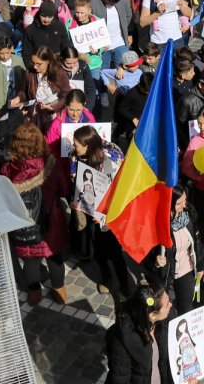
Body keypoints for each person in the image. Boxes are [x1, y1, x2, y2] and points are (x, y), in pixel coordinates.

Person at [1, 123, 70, 307]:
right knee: (54, 257)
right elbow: (64, 190)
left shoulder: (7, 169)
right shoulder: (51, 164)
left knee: (30, 261)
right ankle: (58, 291)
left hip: (24, 224)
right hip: (51, 221)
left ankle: (34, 293)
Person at [70, 124, 129, 296]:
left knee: (114, 253)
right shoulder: (77, 156)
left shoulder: (109, 161)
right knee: (98, 250)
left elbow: (118, 192)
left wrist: (104, 215)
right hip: (89, 210)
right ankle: (106, 279)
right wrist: (77, 202)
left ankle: (124, 285)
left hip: (108, 215)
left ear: (88, 146)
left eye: (76, 144)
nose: (73, 147)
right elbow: (77, 181)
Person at [149, 186, 204, 316]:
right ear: (169, 203)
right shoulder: (159, 222)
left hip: (186, 270)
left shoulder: (189, 214)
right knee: (166, 312)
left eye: (185, 200)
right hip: (166, 275)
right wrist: (156, 262)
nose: (184, 205)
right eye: (179, 203)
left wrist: (200, 266)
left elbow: (197, 242)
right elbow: (149, 252)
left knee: (186, 309)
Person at [103, 284, 172, 383]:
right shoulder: (122, 340)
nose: (171, 305)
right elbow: (120, 378)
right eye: (167, 304)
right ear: (152, 315)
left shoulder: (163, 320)